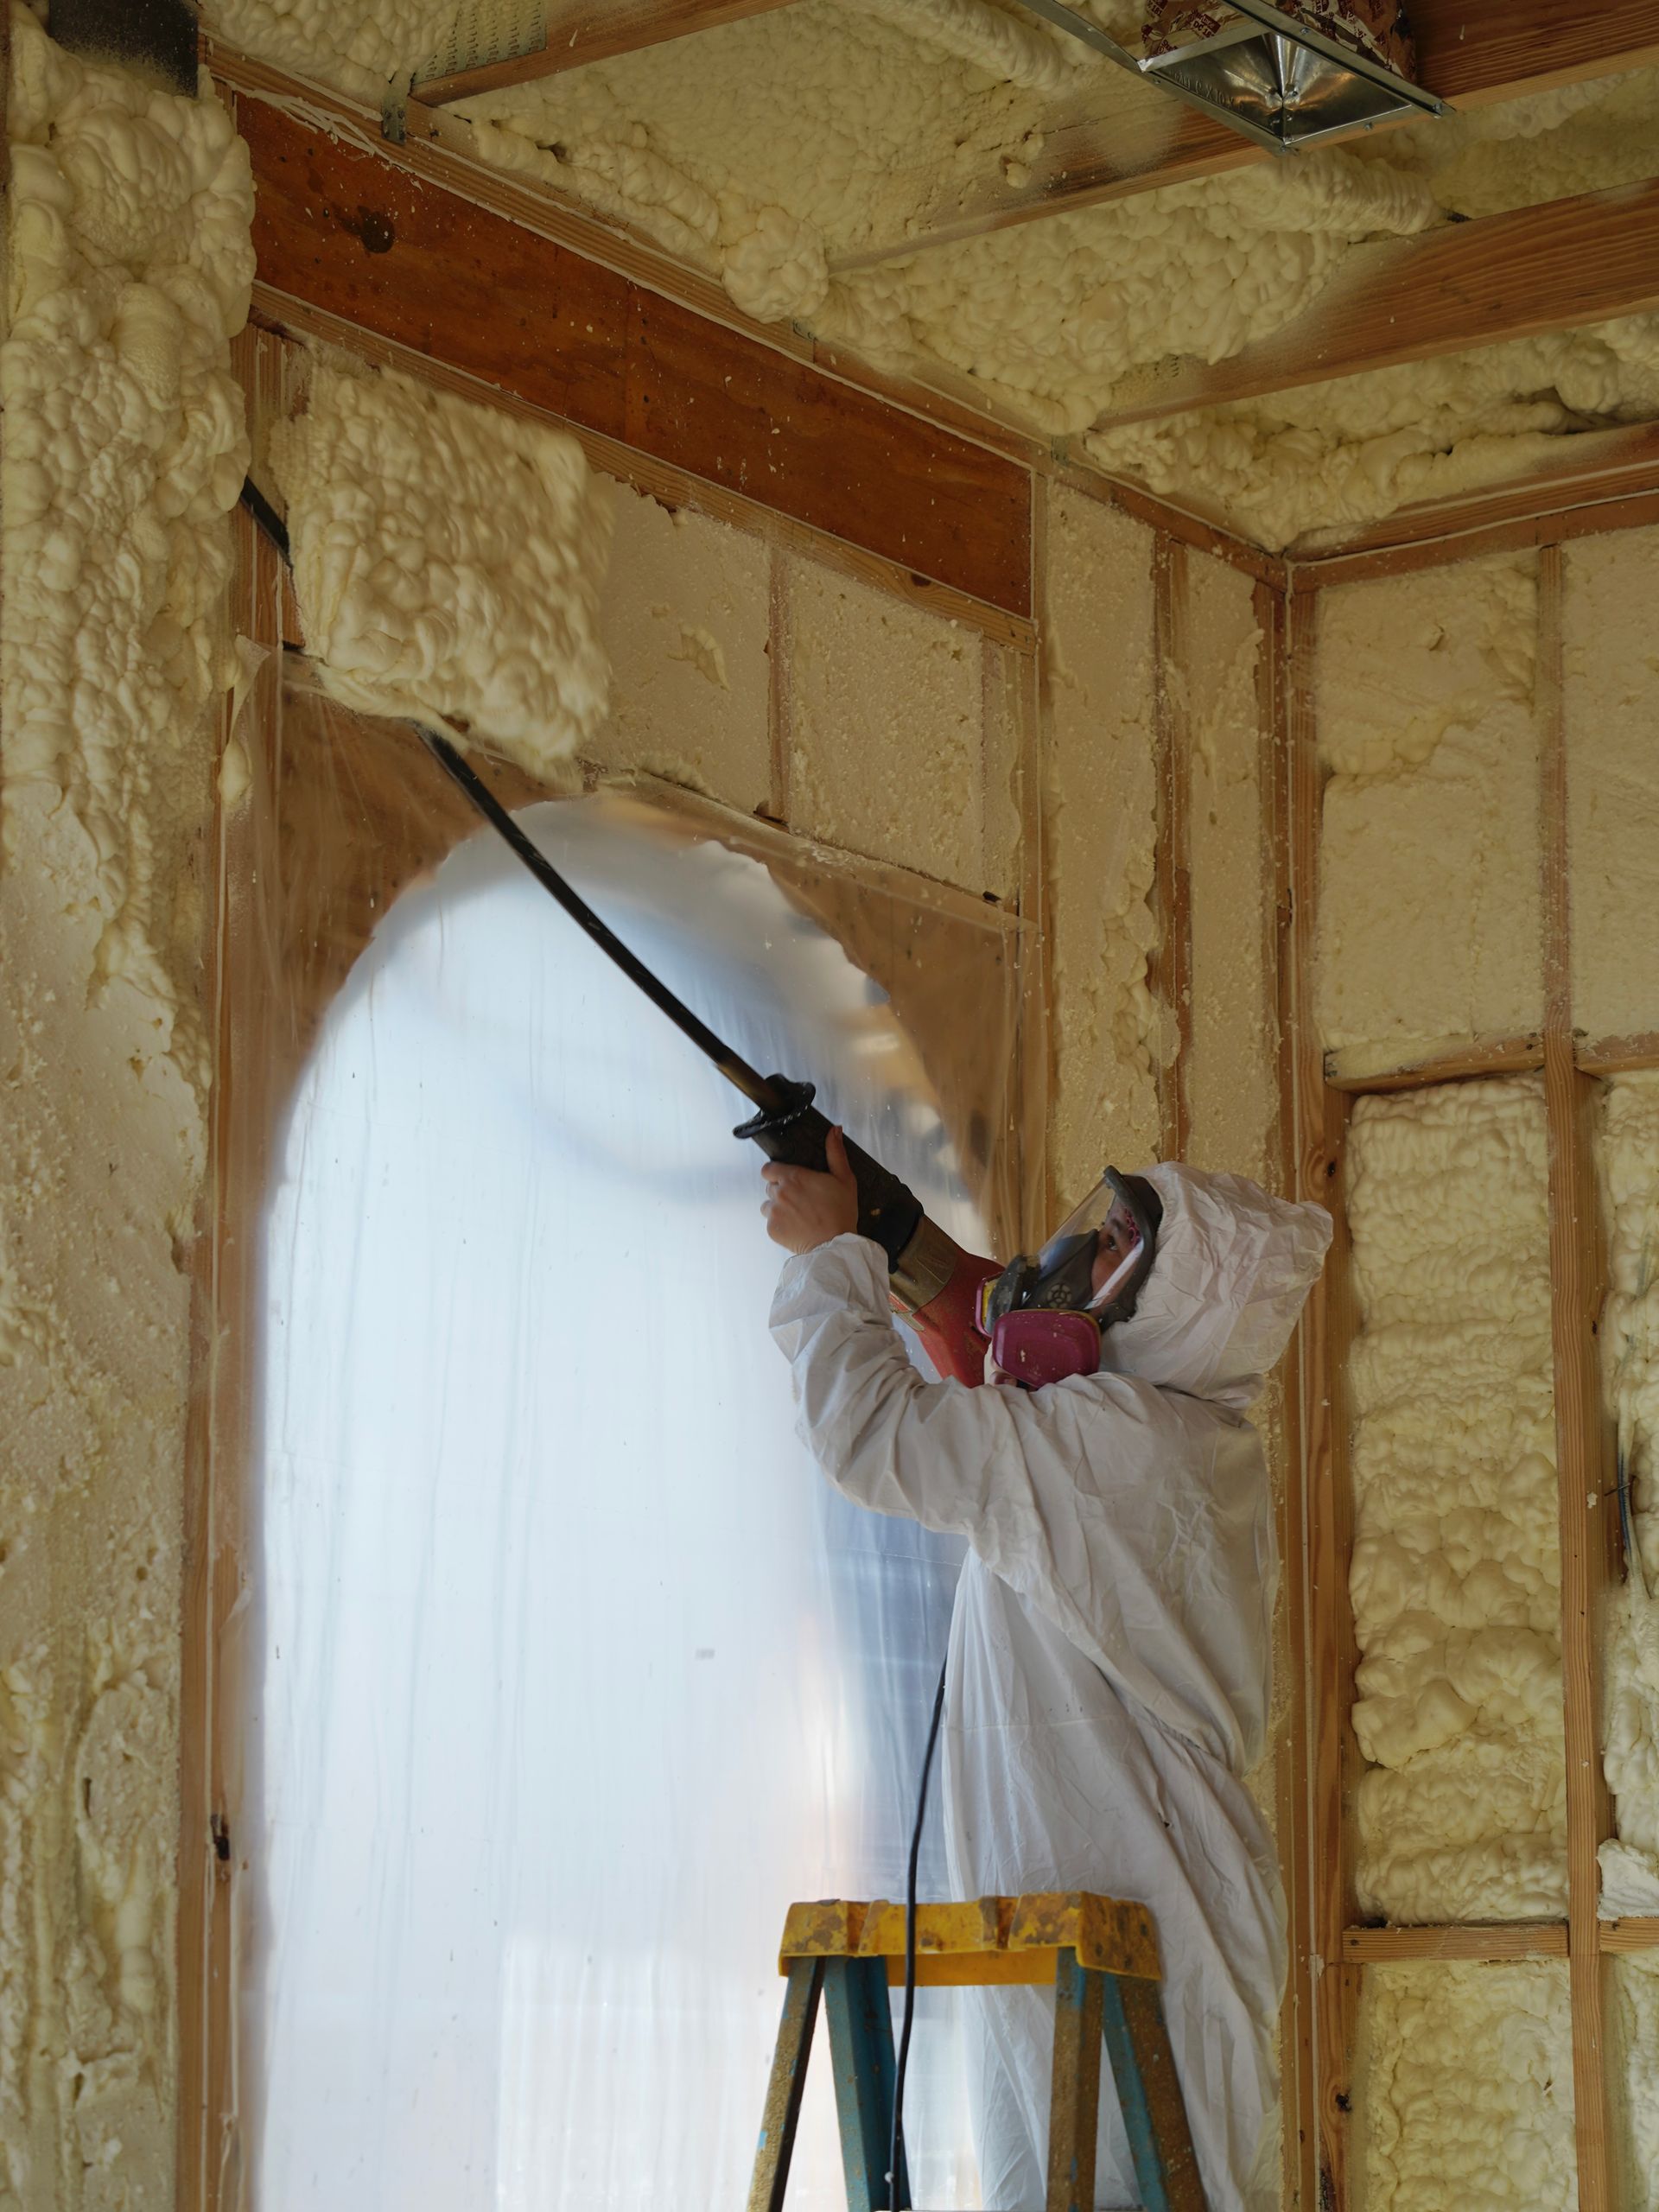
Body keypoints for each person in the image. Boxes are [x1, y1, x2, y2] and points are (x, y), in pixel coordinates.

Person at [761, 1129, 1332, 2212]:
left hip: (1133, 1920)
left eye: (1115, 1251)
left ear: (1181, 1308)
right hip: (1095, 1907)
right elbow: (973, 1366)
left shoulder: (1122, 1442)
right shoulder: (1166, 1440)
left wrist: (831, 1254)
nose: (1073, 1261)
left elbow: (871, 1430)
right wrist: (883, 1235)